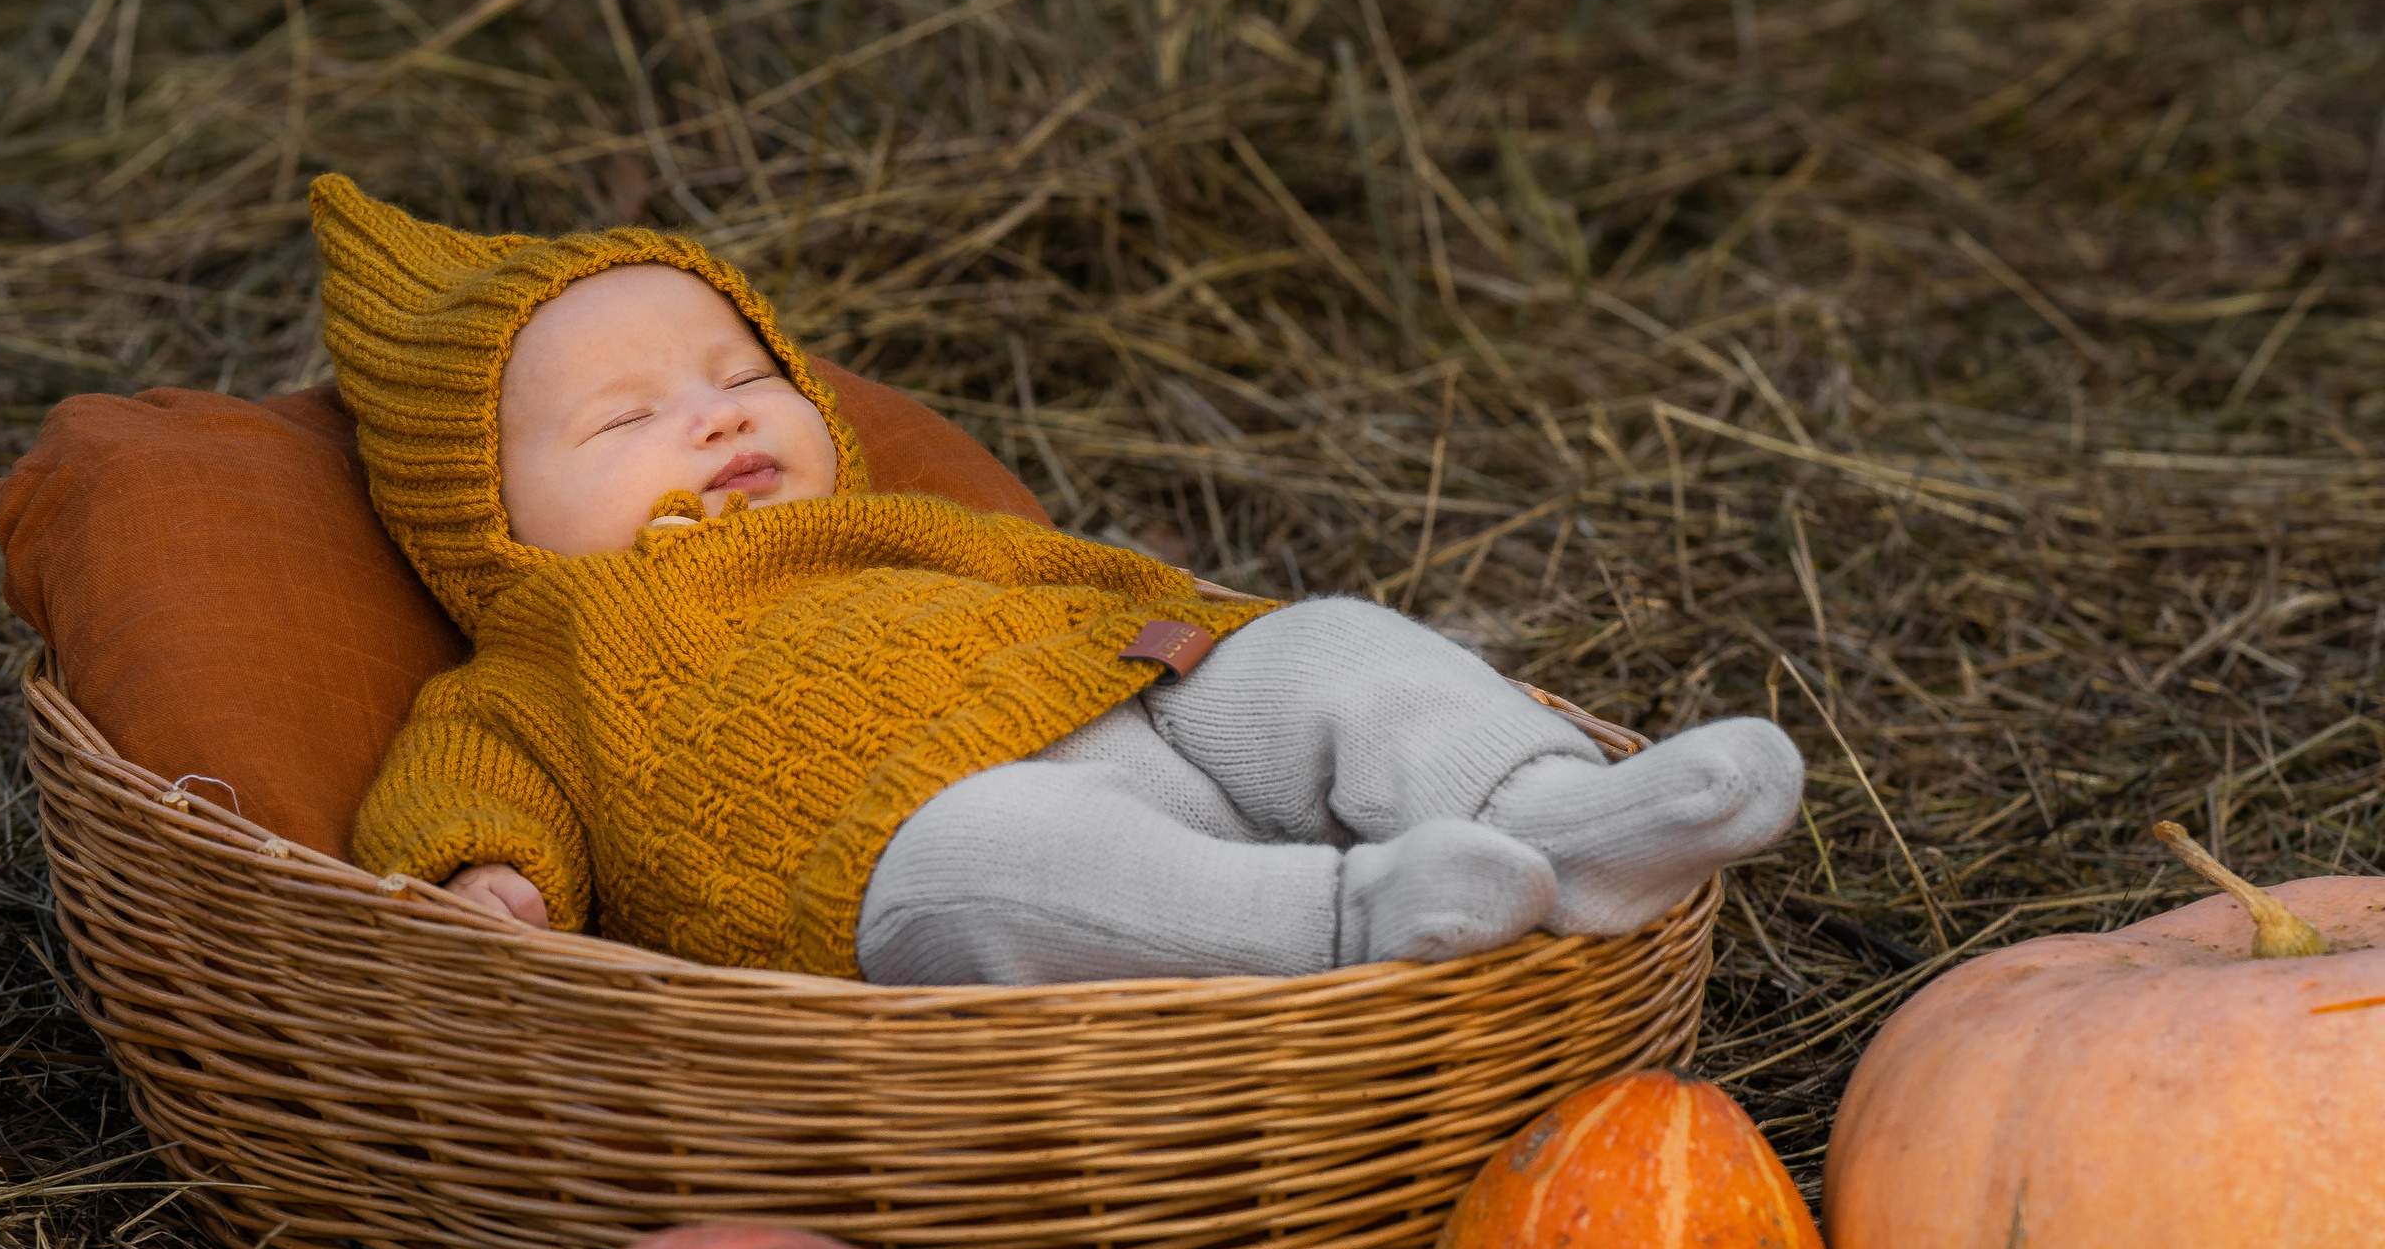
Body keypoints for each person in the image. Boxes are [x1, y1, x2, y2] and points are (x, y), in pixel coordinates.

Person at [314, 174, 1803, 985]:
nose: (711, 415)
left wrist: (1214, 641)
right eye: (628, 419)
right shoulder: (538, 662)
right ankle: (1346, 921)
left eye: (742, 375)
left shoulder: (895, 527)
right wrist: (484, 875)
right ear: (486, 524)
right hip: (903, 842)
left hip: (1140, 695)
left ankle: (1553, 814)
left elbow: (1081, 575)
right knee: (999, 871)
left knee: (1326, 648)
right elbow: (454, 788)